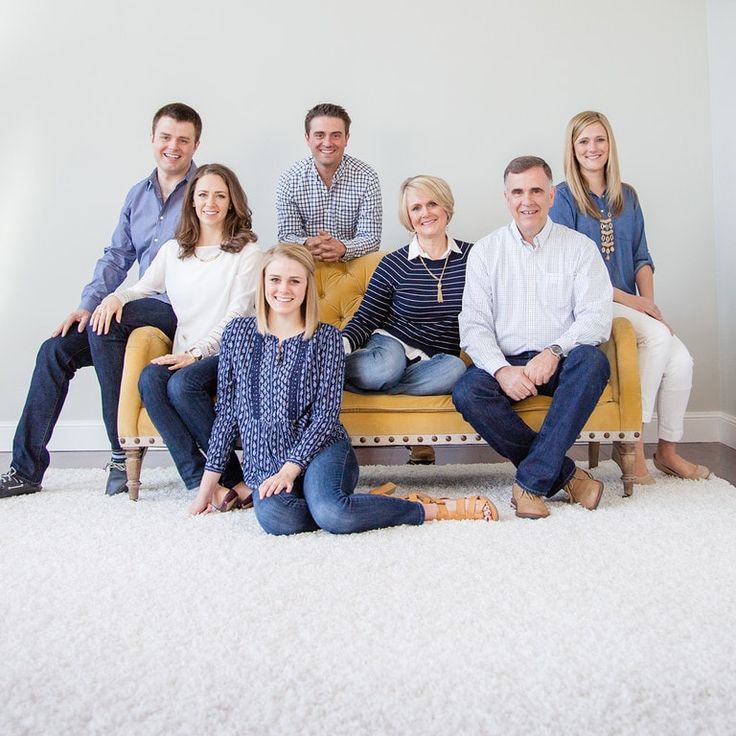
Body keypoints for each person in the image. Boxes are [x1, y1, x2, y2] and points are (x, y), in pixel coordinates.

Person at [190, 244, 497, 531]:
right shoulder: (238, 334)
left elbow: (325, 419)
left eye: (294, 281)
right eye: (276, 279)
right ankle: (364, 504)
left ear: (307, 286)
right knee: (276, 518)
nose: (283, 290)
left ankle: (427, 509)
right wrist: (205, 491)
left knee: (332, 513)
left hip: (323, 450)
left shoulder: (326, 340)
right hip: (266, 464)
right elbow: (227, 414)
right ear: (263, 282)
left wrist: (290, 470)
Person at [1, 103, 201, 500]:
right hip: (133, 303)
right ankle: (24, 469)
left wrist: (109, 305)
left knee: (109, 318)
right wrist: (88, 303)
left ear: (196, 144)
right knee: (54, 350)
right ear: (152, 138)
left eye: (183, 139)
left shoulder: (206, 191)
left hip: (177, 309)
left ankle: (118, 449)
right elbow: (116, 256)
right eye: (165, 137)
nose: (172, 147)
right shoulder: (137, 195)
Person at [549, 111, 709, 483]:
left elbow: (642, 257)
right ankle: (630, 444)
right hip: (592, 304)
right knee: (656, 338)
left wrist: (649, 305)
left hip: (632, 304)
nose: (593, 148)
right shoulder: (564, 199)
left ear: (610, 145)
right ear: (572, 148)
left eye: (599, 139)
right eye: (583, 141)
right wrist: (636, 305)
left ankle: (667, 452)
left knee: (681, 360)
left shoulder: (628, 195)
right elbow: (573, 271)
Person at [91, 164, 262, 508]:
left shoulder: (247, 252)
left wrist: (196, 354)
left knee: (183, 385)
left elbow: (238, 315)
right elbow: (143, 288)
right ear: (191, 201)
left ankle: (233, 479)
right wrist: (115, 297)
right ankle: (201, 480)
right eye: (202, 195)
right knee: (151, 379)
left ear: (232, 202)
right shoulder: (174, 251)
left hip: (231, 355)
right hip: (186, 356)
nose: (209, 203)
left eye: (219, 195)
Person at [452, 156, 613, 520]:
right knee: (467, 391)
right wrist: (501, 370)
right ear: (507, 198)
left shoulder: (579, 248)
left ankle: (530, 482)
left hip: (559, 362)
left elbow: (597, 318)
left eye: (537, 190)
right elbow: (474, 325)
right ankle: (566, 476)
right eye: (518, 192)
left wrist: (555, 351)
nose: (528, 200)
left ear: (552, 195)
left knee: (593, 361)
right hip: (506, 363)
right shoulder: (485, 252)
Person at [341, 175, 471, 465]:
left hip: (434, 361)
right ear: (408, 217)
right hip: (390, 346)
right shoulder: (394, 263)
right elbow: (366, 317)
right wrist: (337, 349)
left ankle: (380, 384)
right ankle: (334, 369)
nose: (425, 213)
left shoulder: (474, 258)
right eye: (416, 208)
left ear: (446, 207)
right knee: (388, 364)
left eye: (432, 203)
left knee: (455, 369)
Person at [276, 102, 381, 262]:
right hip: (306, 265)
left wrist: (343, 248)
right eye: (319, 135)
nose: (327, 142)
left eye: (336, 135)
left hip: (352, 266)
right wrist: (306, 243)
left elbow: (371, 238)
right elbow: (286, 237)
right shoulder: (289, 179)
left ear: (346, 138)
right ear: (307, 138)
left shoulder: (367, 177)